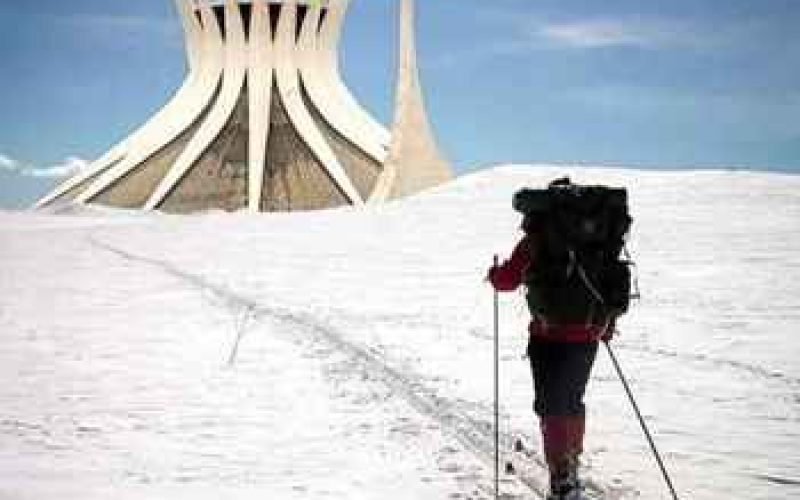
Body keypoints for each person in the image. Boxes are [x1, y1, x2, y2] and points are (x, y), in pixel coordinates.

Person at [488, 213, 613, 500]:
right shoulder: (595, 238)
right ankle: (572, 462)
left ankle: (561, 478)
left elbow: (507, 281)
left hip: (549, 338)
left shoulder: (535, 241)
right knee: (572, 400)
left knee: (551, 406)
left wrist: (495, 275)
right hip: (588, 335)